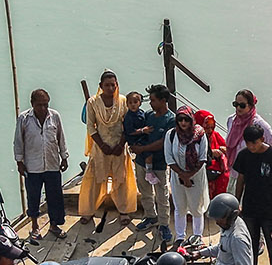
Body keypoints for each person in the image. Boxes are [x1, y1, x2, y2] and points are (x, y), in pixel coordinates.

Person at [80, 72, 136, 234]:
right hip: (100, 147)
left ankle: (124, 211)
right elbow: (91, 126)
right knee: (94, 179)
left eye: (113, 85)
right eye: (107, 85)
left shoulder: (124, 101)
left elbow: (128, 124)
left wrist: (121, 144)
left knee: (122, 179)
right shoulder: (92, 102)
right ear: (101, 86)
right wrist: (102, 145)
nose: (111, 88)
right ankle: (88, 211)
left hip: (119, 147)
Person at [230, 125, 272, 265]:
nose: (251, 146)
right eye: (248, 143)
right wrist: (236, 203)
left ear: (262, 139)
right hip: (250, 208)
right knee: (251, 244)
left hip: (270, 209)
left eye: (254, 143)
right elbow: (240, 180)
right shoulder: (244, 155)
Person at [13, 89, 69, 240]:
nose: (43, 108)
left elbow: (60, 138)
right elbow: (18, 141)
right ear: (32, 104)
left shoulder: (55, 116)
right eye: (39, 105)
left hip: (52, 163)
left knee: (55, 196)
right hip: (32, 166)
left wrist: (64, 157)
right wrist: (19, 162)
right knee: (33, 197)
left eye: (45, 104)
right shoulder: (24, 118)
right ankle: (34, 226)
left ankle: (54, 225)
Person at [122, 87, 168, 229]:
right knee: (145, 192)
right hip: (141, 161)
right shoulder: (148, 115)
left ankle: (164, 224)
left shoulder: (170, 120)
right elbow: (132, 130)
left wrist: (142, 149)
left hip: (159, 163)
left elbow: (162, 143)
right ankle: (151, 217)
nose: (151, 103)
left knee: (162, 196)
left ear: (163, 101)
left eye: (153, 100)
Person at [164, 108, 208, 243]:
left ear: (191, 120)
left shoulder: (200, 135)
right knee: (180, 207)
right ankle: (180, 236)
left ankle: (197, 236)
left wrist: (189, 176)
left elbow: (202, 158)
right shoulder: (171, 135)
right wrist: (182, 175)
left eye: (186, 119)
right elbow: (169, 158)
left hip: (196, 176)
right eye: (180, 119)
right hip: (177, 176)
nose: (183, 122)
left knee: (196, 207)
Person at [206, 193, 256, 265]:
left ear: (231, 216)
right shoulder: (227, 225)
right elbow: (223, 248)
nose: (217, 222)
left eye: (220, 219)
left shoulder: (237, 238)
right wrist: (201, 253)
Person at [223, 90, 271, 168]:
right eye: (235, 104)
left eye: (242, 105)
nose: (238, 108)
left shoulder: (259, 124)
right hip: (233, 169)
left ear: (251, 105)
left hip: (253, 171)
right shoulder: (231, 120)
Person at [194, 108, 230, 198]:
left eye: (212, 127)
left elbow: (227, 149)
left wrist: (222, 150)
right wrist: (210, 153)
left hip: (216, 171)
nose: (210, 130)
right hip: (201, 170)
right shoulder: (194, 138)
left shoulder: (215, 135)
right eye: (207, 127)